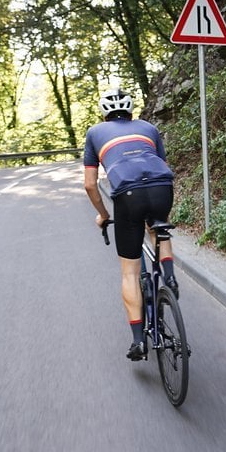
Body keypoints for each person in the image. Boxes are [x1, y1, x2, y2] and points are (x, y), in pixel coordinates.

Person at [83, 88, 179, 361]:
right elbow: (162, 165)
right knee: (158, 224)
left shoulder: (94, 133)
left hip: (128, 195)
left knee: (129, 272)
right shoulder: (149, 127)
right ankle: (169, 276)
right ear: (130, 109)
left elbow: (90, 184)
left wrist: (103, 214)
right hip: (162, 188)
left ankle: (138, 341)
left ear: (104, 113)